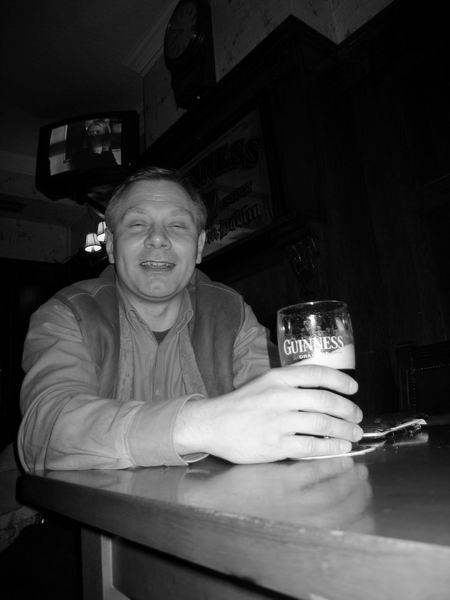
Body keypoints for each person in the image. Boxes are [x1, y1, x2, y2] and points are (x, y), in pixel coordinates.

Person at [18, 166, 363, 472]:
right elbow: (42, 435)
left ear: (198, 246)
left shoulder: (231, 313)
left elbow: (278, 404)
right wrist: (201, 426)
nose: (157, 238)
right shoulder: (68, 313)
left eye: (177, 225)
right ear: (110, 245)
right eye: (137, 224)